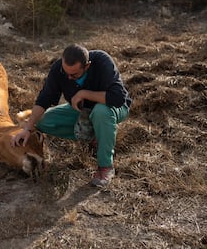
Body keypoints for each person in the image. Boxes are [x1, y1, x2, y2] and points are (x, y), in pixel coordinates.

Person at [11, 44, 131, 187]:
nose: (68, 77)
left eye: (74, 75)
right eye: (65, 72)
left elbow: (118, 98)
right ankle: (96, 136)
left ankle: (105, 167)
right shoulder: (58, 69)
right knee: (42, 120)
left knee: (100, 112)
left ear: (87, 66)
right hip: (81, 109)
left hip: (111, 107)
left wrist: (83, 93)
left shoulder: (102, 61)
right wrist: (27, 128)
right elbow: (44, 98)